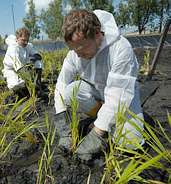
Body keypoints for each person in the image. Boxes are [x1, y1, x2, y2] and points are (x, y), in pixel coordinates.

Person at [53, 9, 145, 164]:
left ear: (97, 32)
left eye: (81, 48)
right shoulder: (75, 53)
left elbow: (117, 97)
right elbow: (61, 84)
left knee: (130, 144)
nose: (77, 55)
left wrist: (96, 135)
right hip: (95, 90)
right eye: (73, 50)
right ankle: (101, 116)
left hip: (122, 94)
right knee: (70, 92)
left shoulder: (120, 49)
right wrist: (63, 127)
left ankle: (107, 123)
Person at [2, 27, 46, 97]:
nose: (26, 42)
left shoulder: (28, 46)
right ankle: (8, 79)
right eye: (23, 40)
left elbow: (38, 55)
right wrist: (31, 82)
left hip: (24, 69)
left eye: (27, 40)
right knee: (16, 85)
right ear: (17, 38)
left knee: (38, 63)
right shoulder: (13, 48)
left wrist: (31, 59)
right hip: (12, 70)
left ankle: (38, 84)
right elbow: (18, 67)